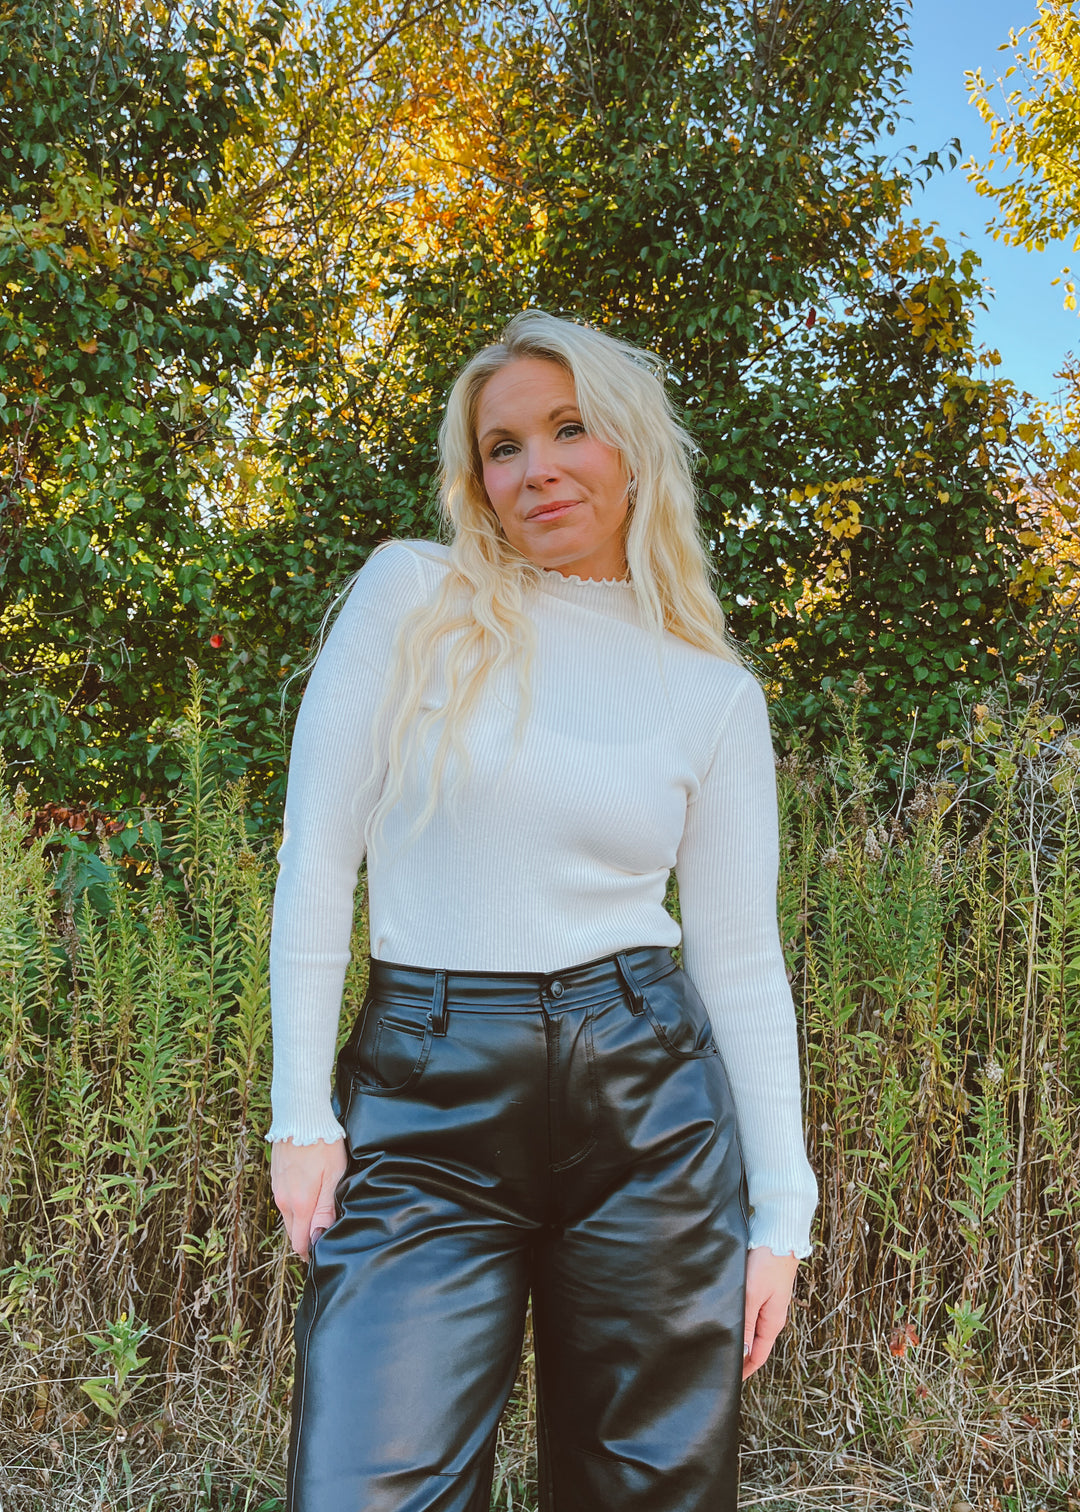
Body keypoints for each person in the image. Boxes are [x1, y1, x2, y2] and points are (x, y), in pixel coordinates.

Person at [268, 310, 818, 1512]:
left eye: (568, 430)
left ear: (631, 449)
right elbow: (318, 854)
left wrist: (783, 1212)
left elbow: (741, 961)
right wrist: (299, 1115)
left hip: (650, 1104)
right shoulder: (413, 596)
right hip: (426, 1096)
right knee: (368, 1485)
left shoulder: (713, 693)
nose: (535, 469)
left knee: (650, 1491)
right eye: (502, 447)